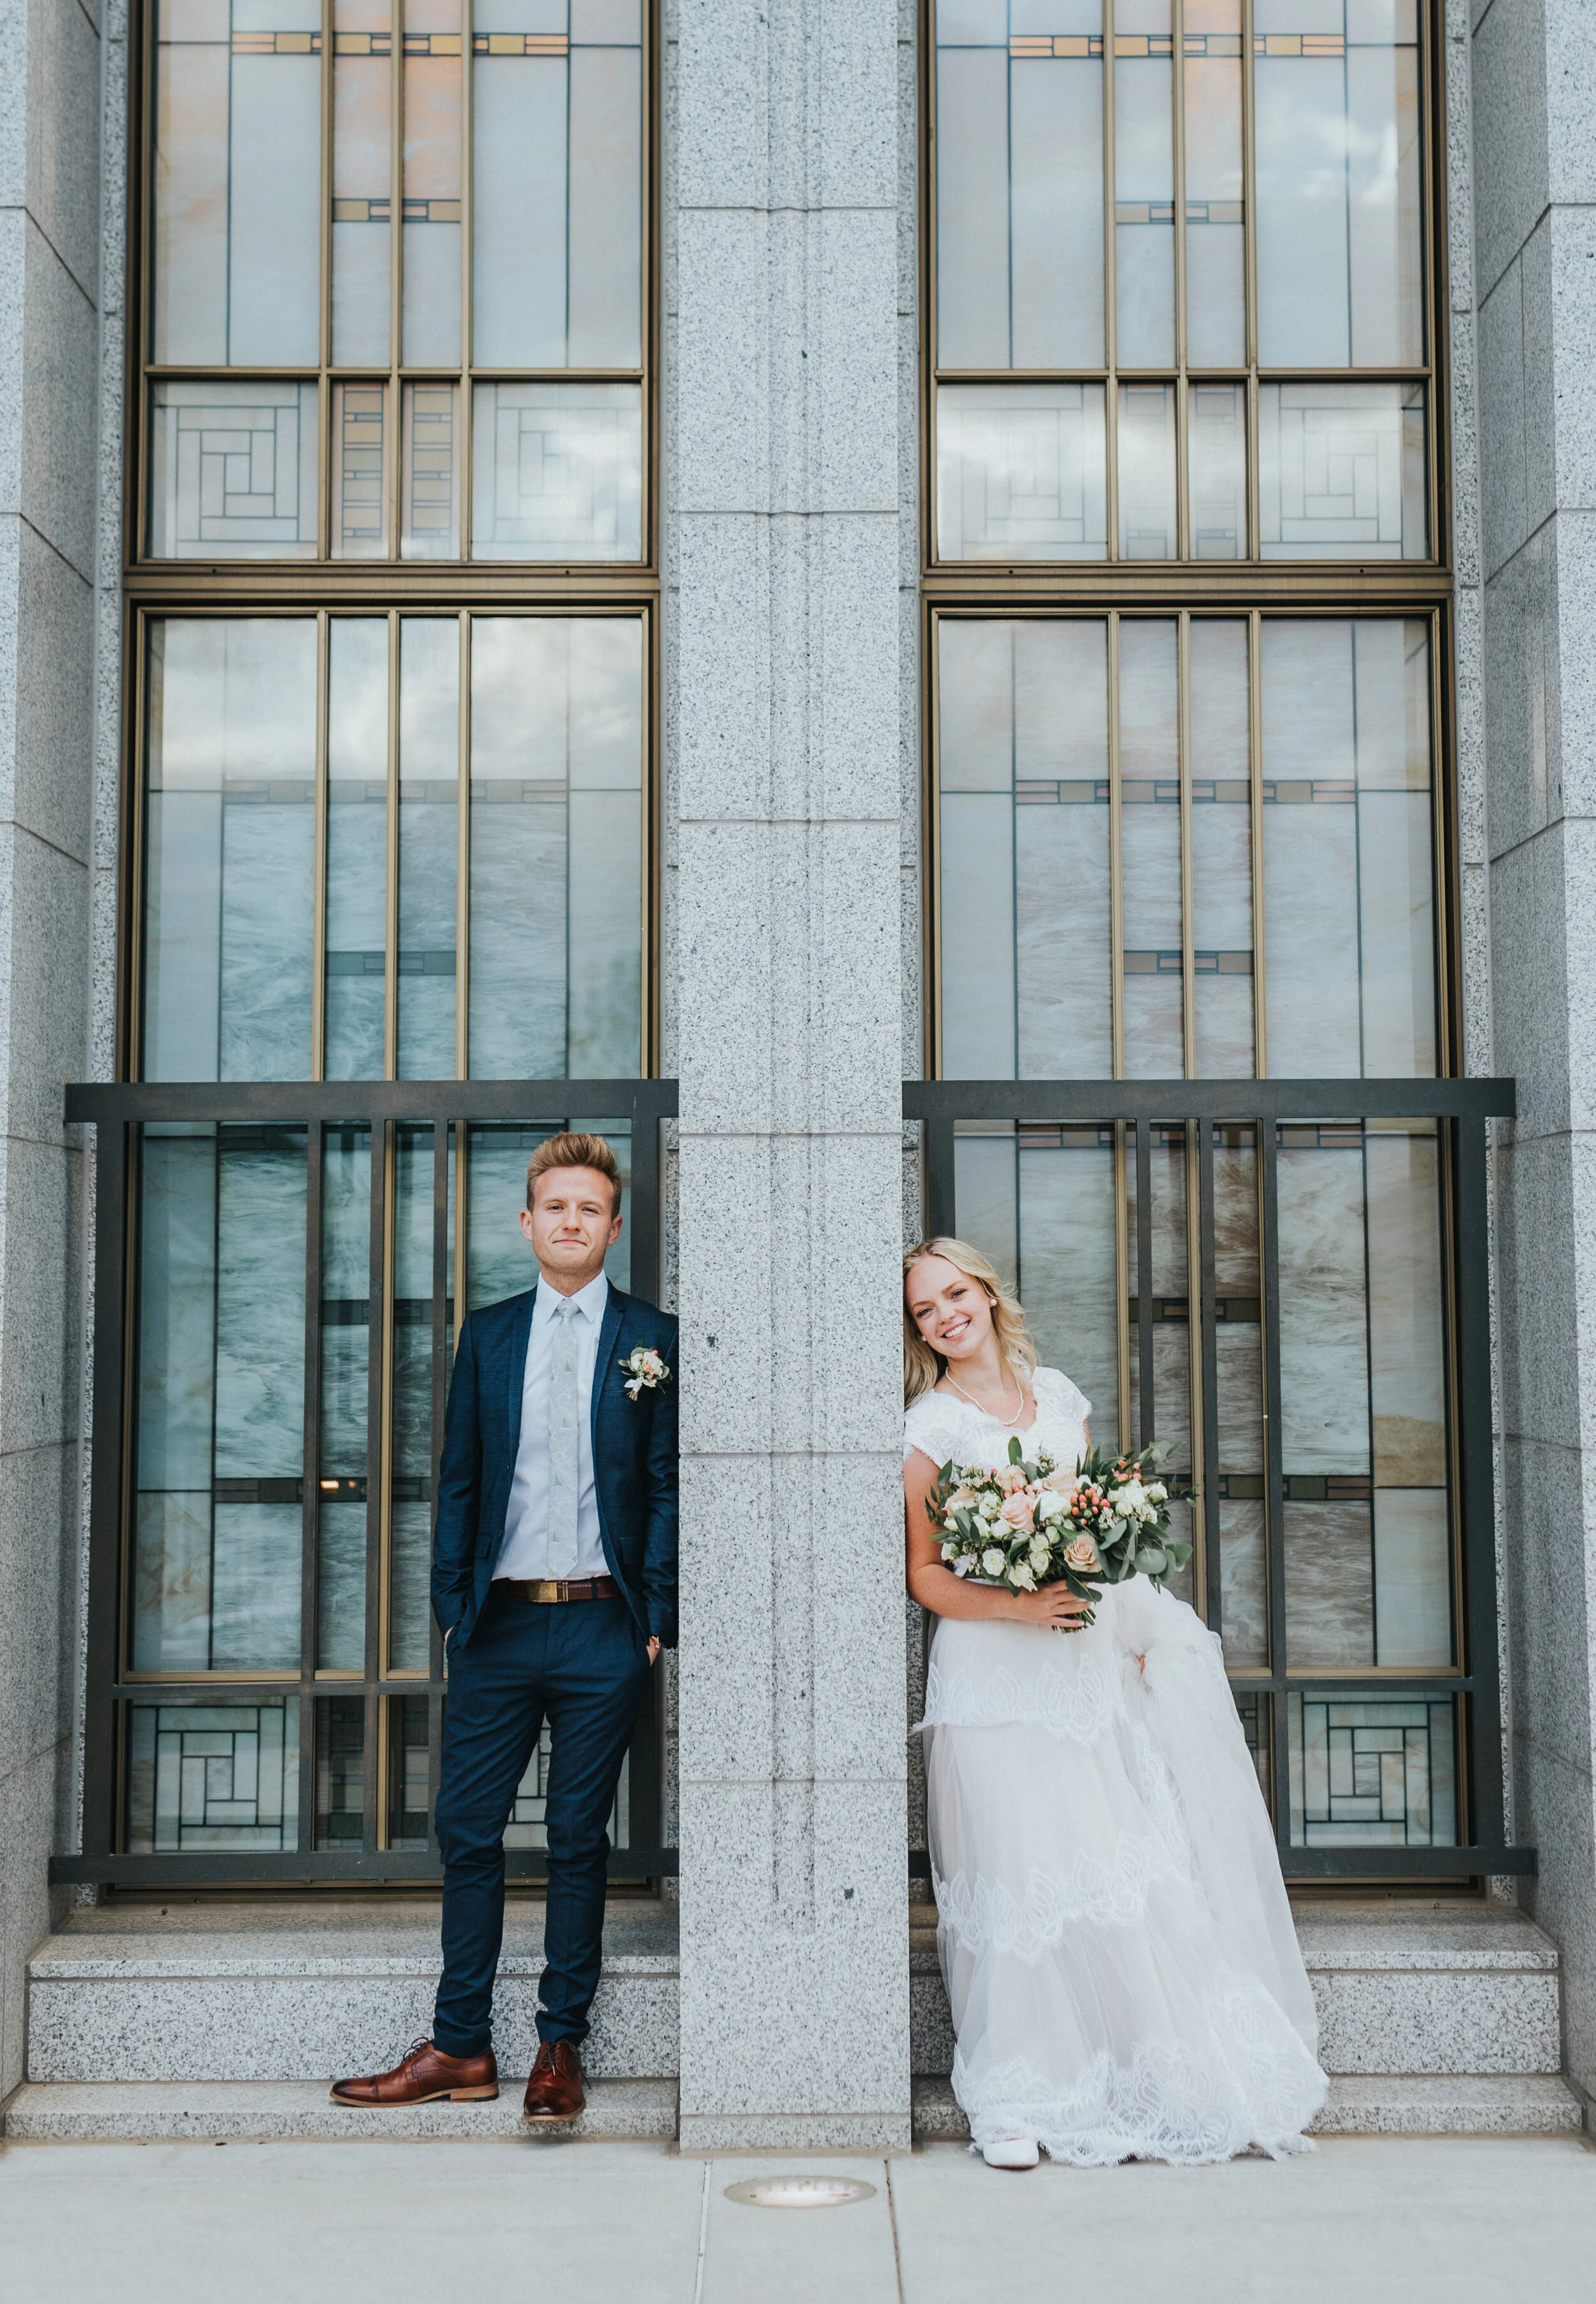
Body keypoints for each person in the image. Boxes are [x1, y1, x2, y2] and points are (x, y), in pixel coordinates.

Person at [903, 1236, 1327, 2170]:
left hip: (1080, 1665)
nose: (945, 1317)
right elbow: (924, 1574)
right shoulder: (928, 1427)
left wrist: (1127, 1626)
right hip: (989, 1674)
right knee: (1015, 1873)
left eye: (955, 1295)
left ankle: (1129, 2075)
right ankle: (1017, 2096)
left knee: (1101, 1863)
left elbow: (1095, 1533)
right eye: (926, 1310)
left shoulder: (1059, 1397)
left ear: (988, 1293)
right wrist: (1017, 1602)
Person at [333, 1133, 678, 2122]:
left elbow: (666, 1484)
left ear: (614, 1226)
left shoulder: (653, 1338)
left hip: (605, 1627)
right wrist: (453, 1610)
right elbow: (458, 1480)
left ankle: (558, 2047)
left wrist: (655, 1615)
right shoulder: (486, 1337)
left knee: (576, 1836)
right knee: (468, 1829)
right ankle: (460, 2046)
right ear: (528, 1223)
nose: (572, 1222)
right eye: (555, 1207)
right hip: (497, 1627)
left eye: (589, 1209)